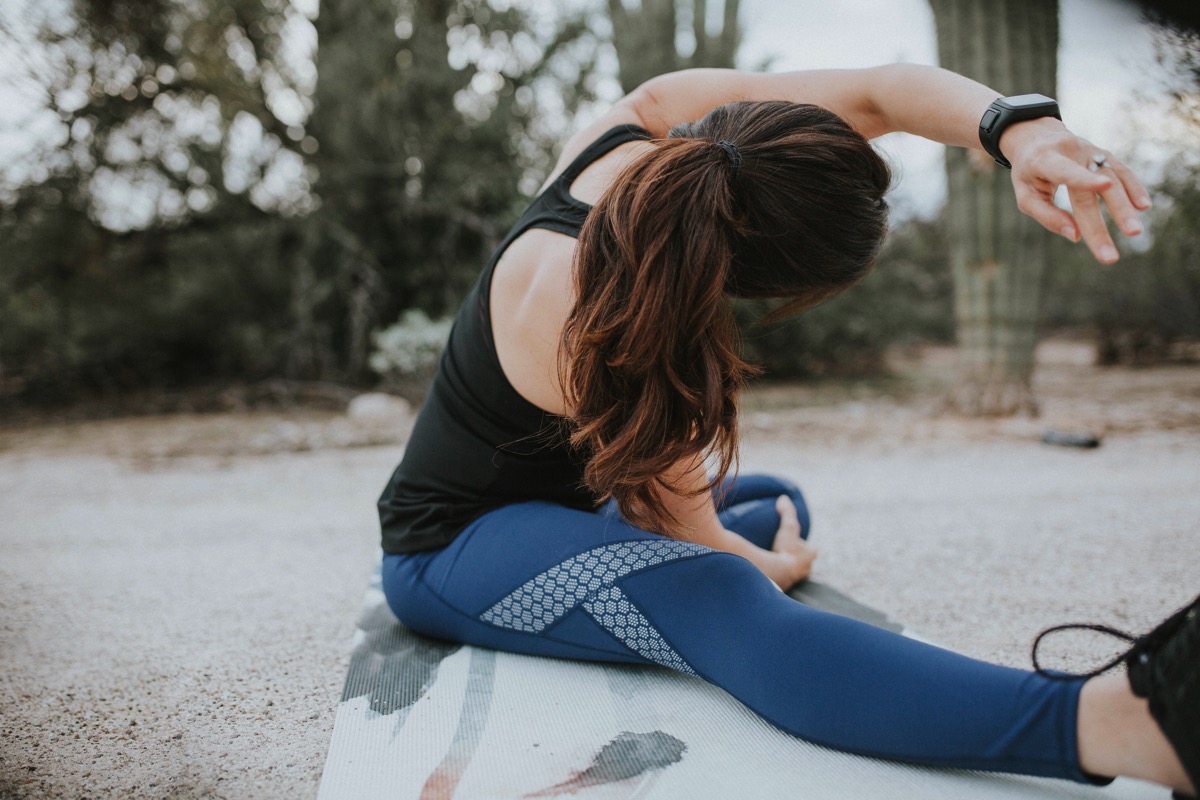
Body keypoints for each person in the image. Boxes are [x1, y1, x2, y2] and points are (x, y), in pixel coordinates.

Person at [376, 63, 1198, 795]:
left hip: (569, 503)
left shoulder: (646, 125)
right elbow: (692, 538)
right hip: (448, 546)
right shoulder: (615, 318)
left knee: (774, 500)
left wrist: (1018, 130)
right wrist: (769, 566)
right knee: (728, 594)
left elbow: (883, 90)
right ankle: (1116, 723)